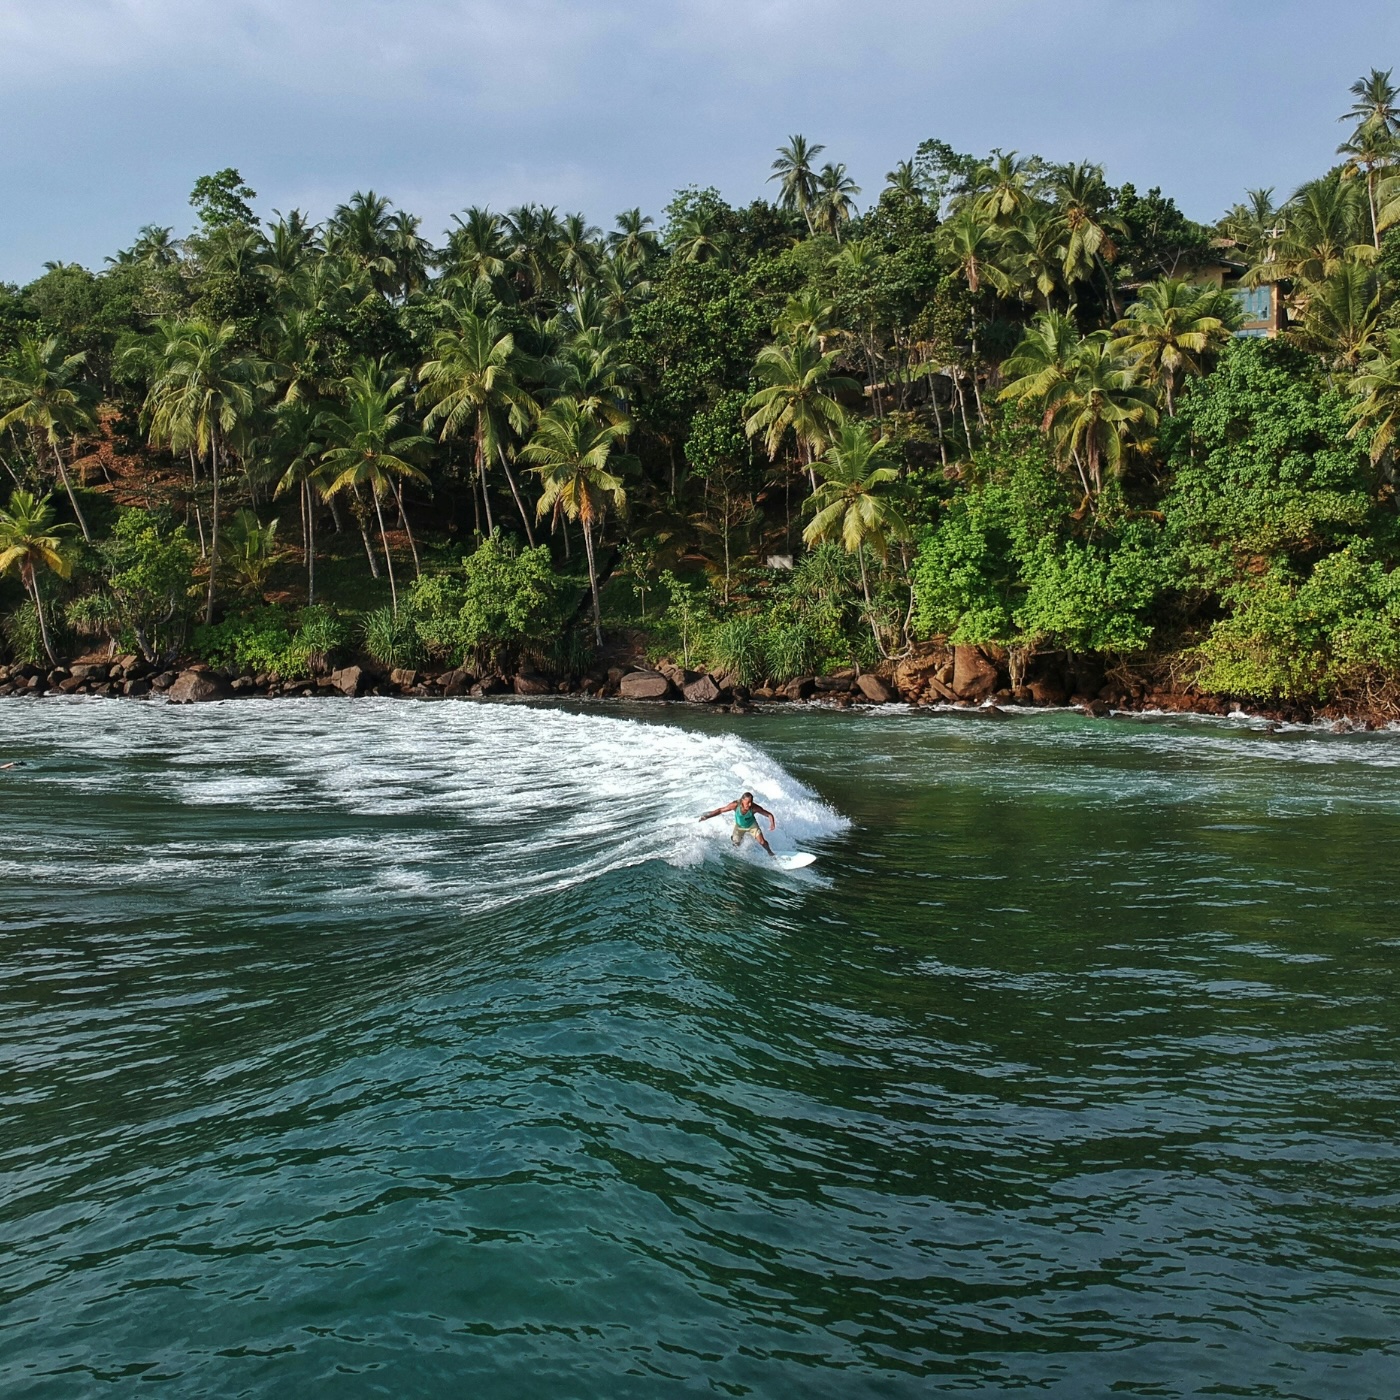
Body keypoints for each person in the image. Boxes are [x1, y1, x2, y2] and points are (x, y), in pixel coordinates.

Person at [700, 791, 776, 857]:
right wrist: (707, 816)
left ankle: (770, 852)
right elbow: (720, 810)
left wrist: (772, 823)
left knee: (762, 842)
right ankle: (735, 837)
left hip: (752, 825)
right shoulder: (735, 805)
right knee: (736, 844)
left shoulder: (754, 808)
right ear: (742, 800)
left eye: (751, 802)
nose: (750, 804)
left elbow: (769, 814)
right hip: (739, 827)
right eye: (748, 802)